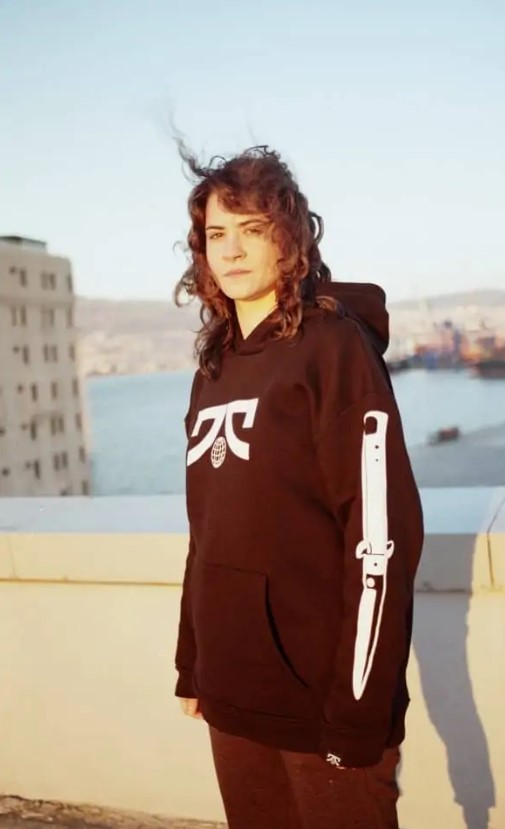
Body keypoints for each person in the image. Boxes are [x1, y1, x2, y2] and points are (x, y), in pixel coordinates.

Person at [173, 143, 424, 829]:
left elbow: (380, 536)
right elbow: (207, 528)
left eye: (251, 229)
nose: (231, 250)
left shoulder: (335, 348)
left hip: (323, 700)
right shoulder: (215, 367)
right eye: (216, 234)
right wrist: (193, 663)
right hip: (232, 690)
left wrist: (358, 706)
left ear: (290, 237)